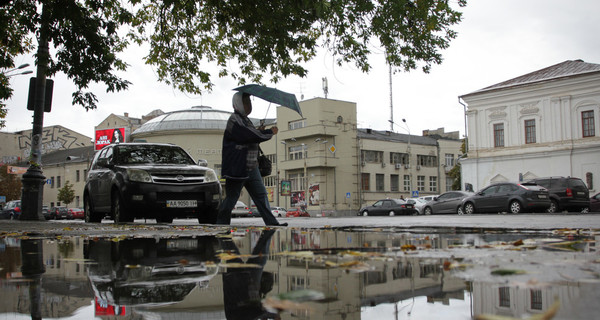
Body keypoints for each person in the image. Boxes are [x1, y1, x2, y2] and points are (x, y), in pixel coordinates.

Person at [216, 92, 287, 226]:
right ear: (238, 104)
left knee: (261, 196)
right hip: (238, 167)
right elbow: (248, 135)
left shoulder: (245, 120)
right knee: (232, 198)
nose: (249, 105)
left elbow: (251, 136)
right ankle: (221, 224)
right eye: (246, 102)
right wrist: (268, 132)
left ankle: (272, 223)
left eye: (250, 102)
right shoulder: (234, 119)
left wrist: (258, 131)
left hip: (251, 166)